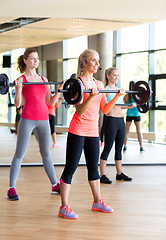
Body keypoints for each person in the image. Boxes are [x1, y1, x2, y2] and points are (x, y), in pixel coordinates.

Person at [58, 49, 125, 219]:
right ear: (84, 63)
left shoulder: (99, 85)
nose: (97, 64)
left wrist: (116, 97)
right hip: (77, 130)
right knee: (70, 168)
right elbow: (79, 111)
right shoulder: (77, 83)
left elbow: (104, 110)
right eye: (93, 60)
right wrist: (89, 97)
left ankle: (97, 201)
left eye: (98, 60)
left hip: (93, 132)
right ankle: (64, 207)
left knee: (93, 168)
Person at [7, 49, 64, 201]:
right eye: (32, 58)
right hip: (27, 119)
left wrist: (60, 90)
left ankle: (54, 185)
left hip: (44, 120)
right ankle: (11, 188)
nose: (35, 61)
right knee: (19, 154)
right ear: (25, 60)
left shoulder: (44, 79)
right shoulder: (22, 79)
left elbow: (51, 102)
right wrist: (18, 88)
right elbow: (18, 105)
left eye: (37, 58)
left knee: (46, 153)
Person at [100, 67, 134, 184]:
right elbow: (107, 106)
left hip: (121, 121)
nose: (116, 78)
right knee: (108, 147)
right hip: (111, 121)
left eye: (118, 76)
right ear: (108, 76)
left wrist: (129, 106)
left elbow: (119, 106)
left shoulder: (119, 90)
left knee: (119, 148)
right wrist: (117, 96)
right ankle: (102, 175)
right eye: (114, 75)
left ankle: (119, 173)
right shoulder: (105, 90)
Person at [123, 81, 145, 152]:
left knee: (126, 131)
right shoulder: (138, 95)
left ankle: (124, 146)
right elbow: (145, 99)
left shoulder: (126, 96)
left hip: (129, 114)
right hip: (136, 114)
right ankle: (141, 147)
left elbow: (125, 104)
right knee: (138, 131)